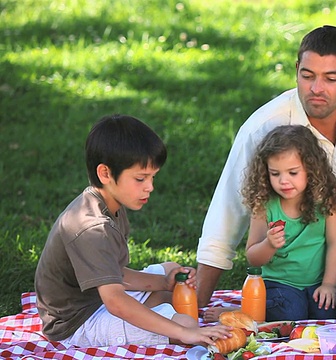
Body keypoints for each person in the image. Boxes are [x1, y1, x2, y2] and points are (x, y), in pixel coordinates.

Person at [196, 25, 336, 310]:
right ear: (296, 71)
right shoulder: (264, 126)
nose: (316, 89)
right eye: (307, 76)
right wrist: (197, 307)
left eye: (330, 78)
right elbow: (225, 214)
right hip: (323, 251)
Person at [34, 115, 231, 347]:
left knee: (170, 272)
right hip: (78, 323)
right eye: (140, 178)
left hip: (99, 299)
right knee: (187, 326)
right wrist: (183, 332)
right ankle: (164, 322)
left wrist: (164, 282)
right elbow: (115, 301)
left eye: (152, 177)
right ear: (105, 174)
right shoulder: (93, 228)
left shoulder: (109, 203)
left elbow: (115, 273)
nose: (150, 187)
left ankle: (157, 311)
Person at [241, 125, 336, 321]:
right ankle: (246, 311)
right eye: (275, 173)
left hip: (315, 283)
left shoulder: (327, 202)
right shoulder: (264, 205)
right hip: (277, 283)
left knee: (328, 315)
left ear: (311, 170)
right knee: (291, 313)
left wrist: (329, 284)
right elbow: (253, 258)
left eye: (293, 173)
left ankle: (250, 310)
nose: (284, 181)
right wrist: (269, 245)